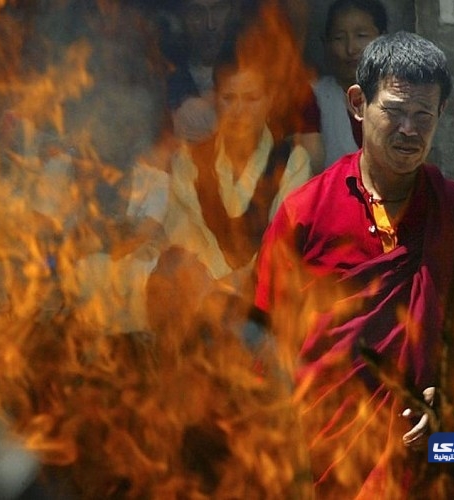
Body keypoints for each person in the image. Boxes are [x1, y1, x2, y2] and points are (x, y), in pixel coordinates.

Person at [253, 31, 454, 497]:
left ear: (441, 115)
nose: (409, 129)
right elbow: (269, 348)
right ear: (358, 103)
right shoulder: (305, 213)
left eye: (423, 115)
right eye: (393, 110)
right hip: (330, 461)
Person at [147, 27, 311, 338]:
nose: (238, 111)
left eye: (251, 98)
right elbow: (184, 236)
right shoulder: (190, 161)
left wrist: (236, 286)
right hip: (200, 301)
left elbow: (283, 246)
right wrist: (212, 288)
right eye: (228, 98)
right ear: (215, 97)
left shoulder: (292, 160)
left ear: (270, 99)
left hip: (263, 306)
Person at [163, 0, 325, 170]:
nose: (209, 24)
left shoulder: (288, 83)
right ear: (182, 16)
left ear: (234, 9)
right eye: (197, 12)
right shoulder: (166, 84)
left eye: (218, 9)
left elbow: (312, 164)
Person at [312, 0, 387, 171]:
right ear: (326, 44)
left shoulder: (399, 93)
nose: (350, 48)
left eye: (361, 36)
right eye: (339, 38)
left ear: (382, 39)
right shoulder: (313, 97)